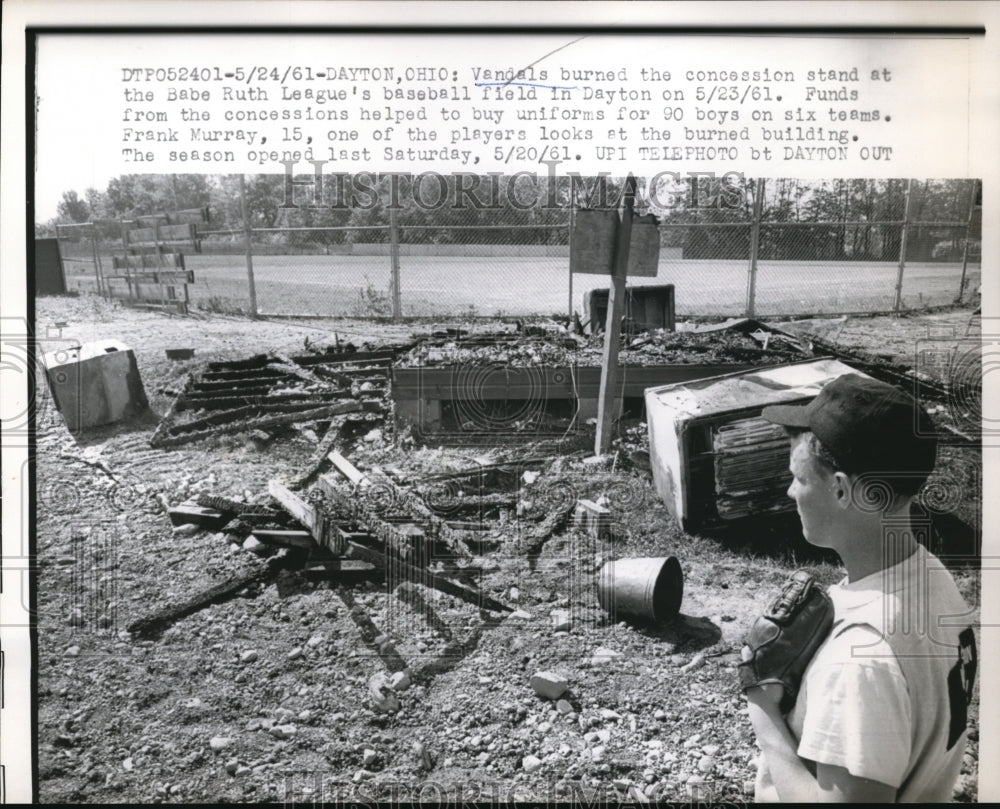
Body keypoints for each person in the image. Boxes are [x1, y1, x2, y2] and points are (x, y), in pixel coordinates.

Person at [744, 373, 977, 802]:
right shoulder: (933, 579)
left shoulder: (860, 660)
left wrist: (762, 707)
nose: (790, 489)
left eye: (799, 477)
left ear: (841, 489)